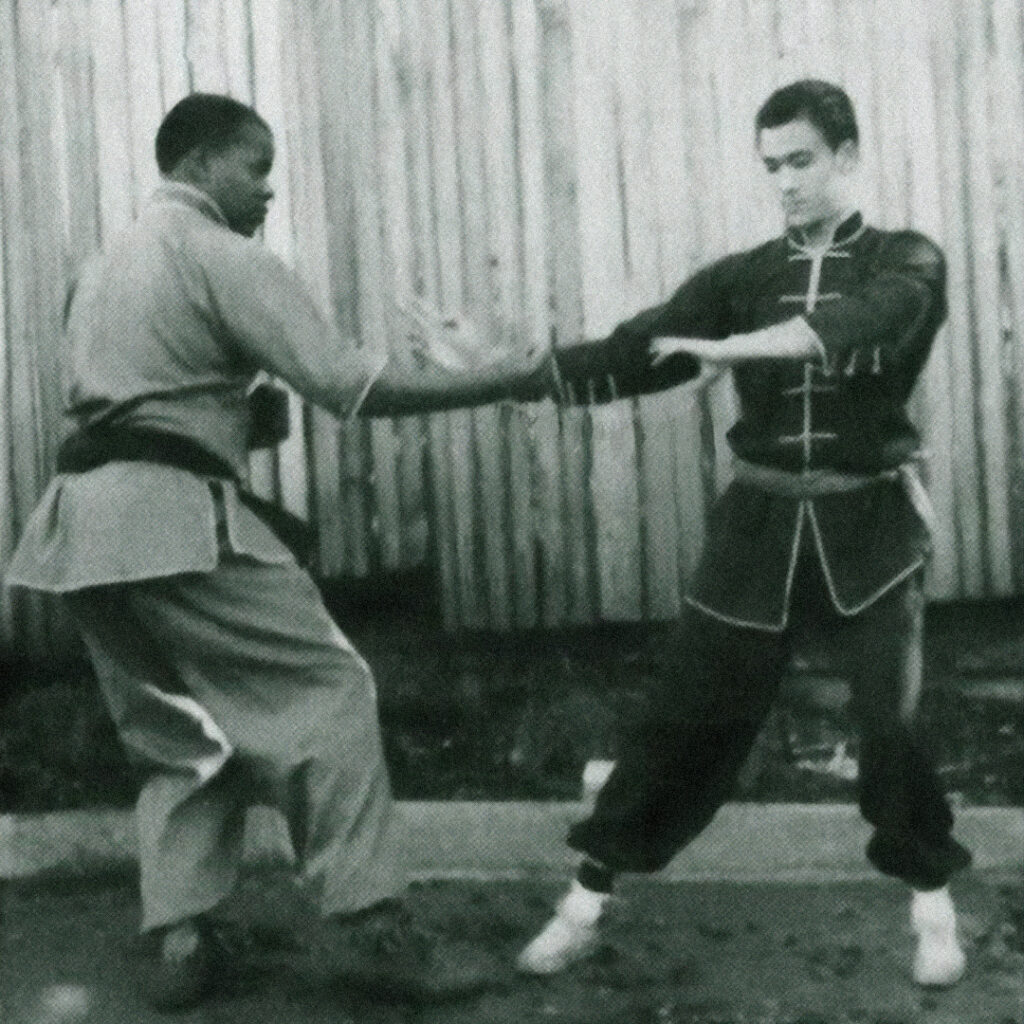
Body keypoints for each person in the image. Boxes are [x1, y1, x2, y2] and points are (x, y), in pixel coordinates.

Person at [5, 92, 545, 1011]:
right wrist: (506, 377)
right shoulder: (223, 255)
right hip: (171, 522)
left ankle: (185, 935)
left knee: (185, 734)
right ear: (207, 163)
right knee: (328, 693)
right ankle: (374, 927)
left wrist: (235, 417)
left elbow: (140, 400)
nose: (269, 190)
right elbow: (349, 386)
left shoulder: (99, 270)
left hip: (80, 534)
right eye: (258, 167)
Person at [515, 79, 971, 989]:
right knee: (685, 720)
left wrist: (736, 350)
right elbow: (638, 349)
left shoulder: (906, 259)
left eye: (801, 162)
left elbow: (862, 325)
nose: (786, 184)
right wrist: (513, 369)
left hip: (870, 528)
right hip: (756, 530)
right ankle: (585, 901)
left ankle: (931, 907)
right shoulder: (743, 277)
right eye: (772, 167)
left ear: (847, 156)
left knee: (892, 724)